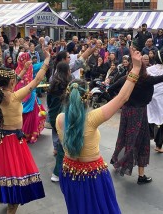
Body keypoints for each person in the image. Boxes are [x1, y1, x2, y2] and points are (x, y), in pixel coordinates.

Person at [56, 49, 142, 214]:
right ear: (87, 97)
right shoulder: (91, 119)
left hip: (69, 172)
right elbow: (122, 98)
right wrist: (136, 69)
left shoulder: (60, 119)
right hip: (92, 176)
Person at [0, 48, 50, 213]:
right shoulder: (15, 96)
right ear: (10, 83)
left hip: (1, 139)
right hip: (15, 141)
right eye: (13, 81)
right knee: (15, 170)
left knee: (6, 170)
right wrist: (47, 61)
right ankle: (12, 206)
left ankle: (9, 198)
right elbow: (37, 80)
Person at [109, 51, 163, 182]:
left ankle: (116, 162)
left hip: (126, 112)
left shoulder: (126, 79)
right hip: (140, 114)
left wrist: (121, 100)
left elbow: (110, 89)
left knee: (123, 138)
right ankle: (140, 175)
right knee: (141, 143)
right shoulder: (147, 80)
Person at [47, 62, 72, 182]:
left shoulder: (52, 83)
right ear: (67, 71)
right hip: (63, 116)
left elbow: (48, 101)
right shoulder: (68, 84)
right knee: (64, 143)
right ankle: (57, 172)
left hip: (53, 116)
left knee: (60, 139)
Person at [14, 52, 47, 143]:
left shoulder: (17, 70)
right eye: (28, 59)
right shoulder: (31, 68)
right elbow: (42, 66)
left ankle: (22, 133)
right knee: (33, 115)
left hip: (20, 97)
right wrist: (48, 58)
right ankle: (31, 134)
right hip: (31, 96)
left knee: (22, 115)